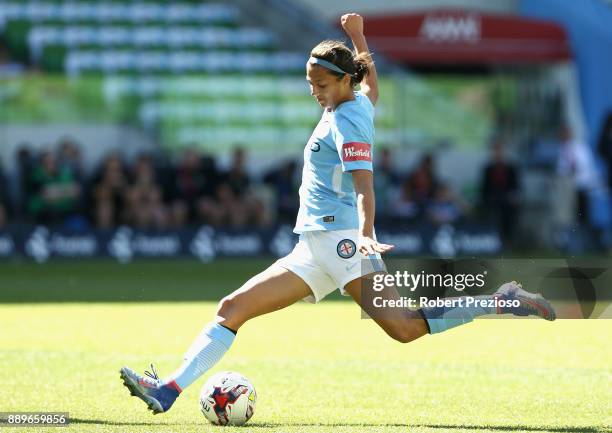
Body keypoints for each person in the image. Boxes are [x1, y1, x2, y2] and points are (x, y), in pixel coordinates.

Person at [119, 14, 556, 415]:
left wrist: (365, 233)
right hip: (313, 247)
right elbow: (374, 89)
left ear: (343, 81)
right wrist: (359, 37)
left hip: (343, 242)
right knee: (232, 307)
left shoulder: (347, 122)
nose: (314, 92)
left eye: (321, 85)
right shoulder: (355, 102)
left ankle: (503, 300)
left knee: (406, 329)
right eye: (310, 84)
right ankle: (169, 389)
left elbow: (365, 185)